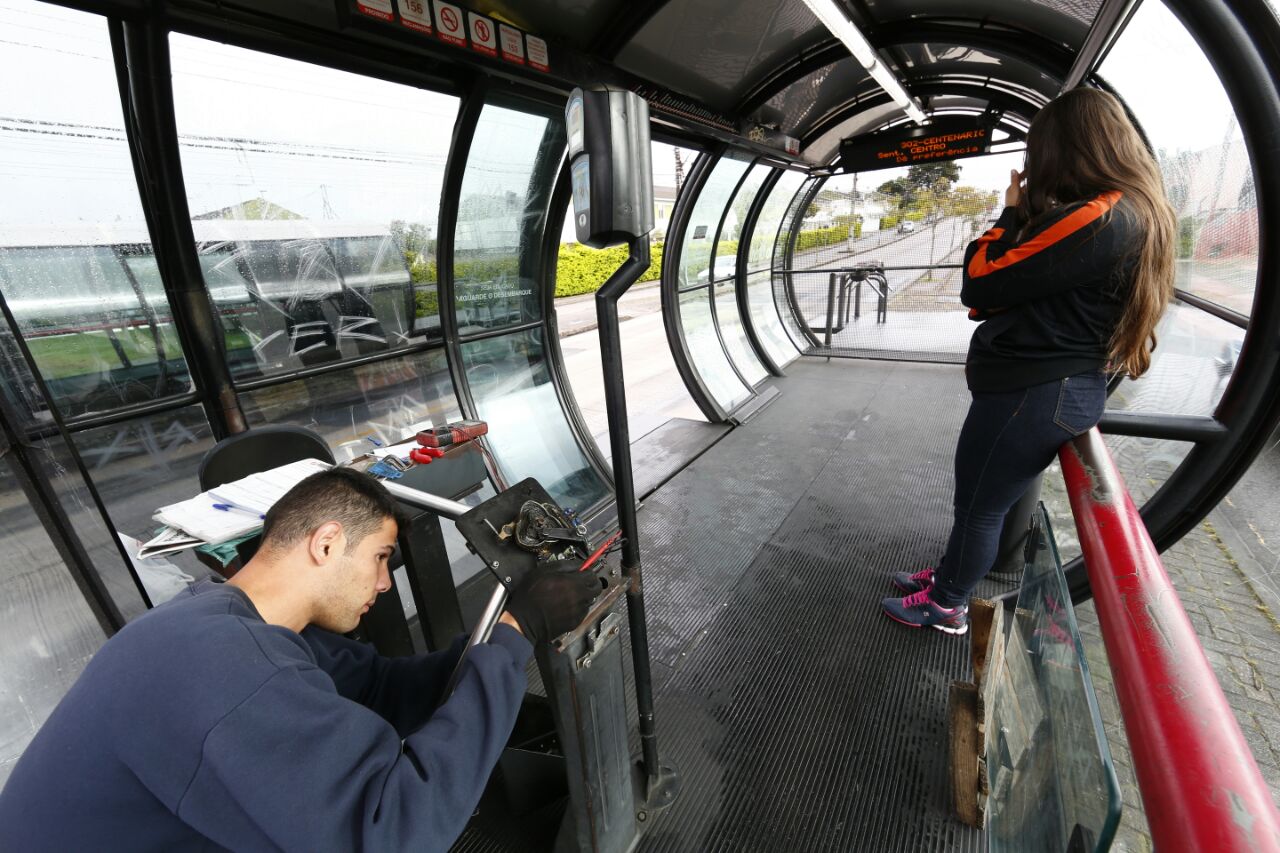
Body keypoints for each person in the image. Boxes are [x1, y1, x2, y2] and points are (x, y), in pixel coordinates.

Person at [0, 467, 602, 851]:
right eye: (380, 558)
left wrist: (499, 637)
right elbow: (394, 830)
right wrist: (518, 637)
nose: (385, 584)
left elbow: (380, 688)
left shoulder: (225, 620)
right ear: (327, 543)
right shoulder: (222, 668)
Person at [882, 87, 1176, 634]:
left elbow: (981, 279)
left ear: (1065, 147)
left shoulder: (1101, 215)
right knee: (979, 503)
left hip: (1035, 391)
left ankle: (946, 606)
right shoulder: (1128, 212)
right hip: (1049, 387)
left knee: (979, 509)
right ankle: (948, 578)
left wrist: (1010, 211)